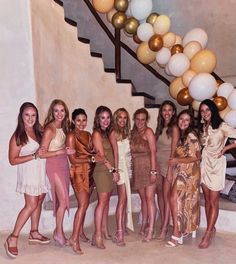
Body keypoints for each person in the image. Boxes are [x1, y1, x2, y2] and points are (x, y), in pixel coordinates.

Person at [4, 102, 50, 259]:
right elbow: (12, 160)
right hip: (30, 174)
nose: (30, 118)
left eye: (33, 115)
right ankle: (13, 237)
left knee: (38, 202)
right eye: (27, 115)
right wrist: (34, 155)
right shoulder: (19, 135)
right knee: (31, 205)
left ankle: (34, 232)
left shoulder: (39, 131)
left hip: (41, 172)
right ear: (21, 116)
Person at [197, 99, 236, 249]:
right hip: (204, 165)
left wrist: (226, 149)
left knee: (214, 201)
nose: (205, 113)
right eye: (202, 111)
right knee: (207, 200)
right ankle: (211, 228)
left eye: (207, 110)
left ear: (213, 110)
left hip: (216, 166)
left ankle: (207, 233)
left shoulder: (222, 126)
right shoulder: (203, 126)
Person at [40, 99, 74, 246]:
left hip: (64, 164)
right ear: (52, 112)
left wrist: (68, 153)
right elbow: (42, 153)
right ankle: (58, 232)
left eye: (62, 110)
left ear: (65, 112)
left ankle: (58, 231)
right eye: (56, 111)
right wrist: (61, 152)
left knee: (62, 201)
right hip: (53, 165)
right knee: (64, 200)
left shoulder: (64, 126)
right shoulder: (50, 129)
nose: (59, 113)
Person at [166, 110, 201, 247]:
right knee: (179, 200)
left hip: (189, 172)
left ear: (191, 122)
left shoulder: (191, 135)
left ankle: (177, 231)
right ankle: (182, 229)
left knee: (173, 198)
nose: (183, 122)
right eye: (181, 119)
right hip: (183, 170)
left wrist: (176, 160)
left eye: (187, 120)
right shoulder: (182, 135)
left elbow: (197, 156)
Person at [66, 108, 96, 254]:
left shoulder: (88, 135)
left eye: (84, 120)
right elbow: (73, 159)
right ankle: (74, 238)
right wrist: (91, 158)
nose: (81, 123)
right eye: (78, 120)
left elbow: (93, 152)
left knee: (84, 205)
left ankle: (81, 232)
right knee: (83, 205)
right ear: (73, 121)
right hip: (78, 173)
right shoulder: (71, 136)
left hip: (90, 172)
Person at [91, 106, 119, 249]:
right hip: (102, 171)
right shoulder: (96, 134)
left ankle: (105, 230)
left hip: (110, 170)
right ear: (98, 119)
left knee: (106, 201)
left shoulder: (109, 133)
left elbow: (115, 152)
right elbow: (101, 157)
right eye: (103, 117)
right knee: (102, 202)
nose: (105, 120)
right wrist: (113, 170)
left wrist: (116, 169)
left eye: (108, 117)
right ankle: (97, 236)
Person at [130, 108, 158, 242]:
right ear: (134, 120)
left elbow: (153, 152)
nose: (140, 122)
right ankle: (144, 224)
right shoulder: (133, 133)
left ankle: (151, 229)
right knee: (143, 199)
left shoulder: (149, 132)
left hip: (149, 167)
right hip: (138, 169)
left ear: (146, 120)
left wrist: (153, 171)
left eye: (143, 119)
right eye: (137, 119)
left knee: (149, 199)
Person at [155, 100, 179, 240]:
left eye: (170, 110)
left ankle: (164, 228)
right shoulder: (160, 127)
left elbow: (174, 150)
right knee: (160, 195)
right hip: (159, 165)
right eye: (164, 110)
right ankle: (166, 221)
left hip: (168, 166)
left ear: (174, 112)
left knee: (166, 196)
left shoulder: (174, 128)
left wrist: (170, 169)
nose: (167, 112)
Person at [112, 108, 133, 246]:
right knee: (122, 200)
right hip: (120, 168)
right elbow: (115, 154)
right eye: (120, 117)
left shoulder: (128, 133)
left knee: (124, 200)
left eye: (125, 118)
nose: (122, 120)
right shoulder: (113, 133)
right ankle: (119, 231)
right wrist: (115, 171)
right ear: (116, 118)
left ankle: (123, 225)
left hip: (128, 168)